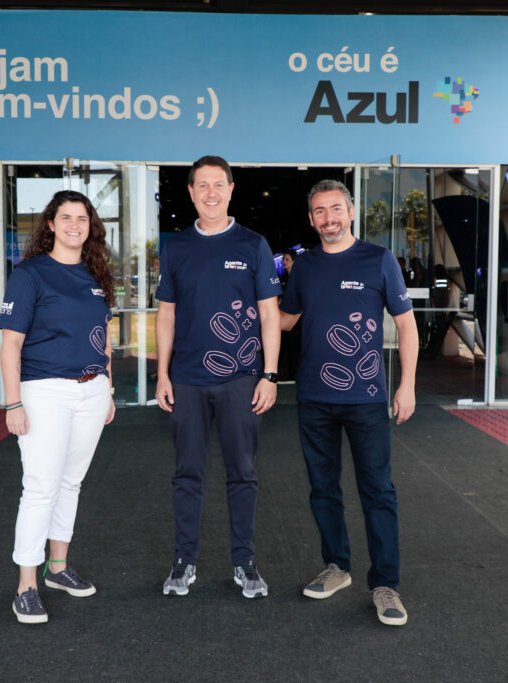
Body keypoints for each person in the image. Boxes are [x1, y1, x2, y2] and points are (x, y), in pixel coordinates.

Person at [279, 179, 418, 627]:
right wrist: (242, 296)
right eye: (319, 212)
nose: (328, 219)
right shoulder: (304, 267)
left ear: (351, 212)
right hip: (314, 398)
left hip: (367, 398)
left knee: (377, 491)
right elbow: (283, 320)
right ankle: (337, 567)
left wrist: (408, 385)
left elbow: (407, 326)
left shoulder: (378, 260)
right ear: (311, 218)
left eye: (335, 209)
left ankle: (385, 585)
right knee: (324, 490)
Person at [155, 155, 281, 599]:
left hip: (241, 380)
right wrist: (162, 373)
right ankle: (184, 562)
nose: (211, 193)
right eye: (201, 185)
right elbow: (166, 315)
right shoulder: (176, 248)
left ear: (231, 190)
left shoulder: (253, 245)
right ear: (191, 192)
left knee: (242, 473)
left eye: (218, 185)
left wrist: (269, 374)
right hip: (187, 380)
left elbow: (270, 314)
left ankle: (244, 562)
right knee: (186, 473)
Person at [0, 190, 117, 624]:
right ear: (50, 224)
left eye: (81, 218)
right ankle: (25, 586)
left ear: (91, 226)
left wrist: (107, 389)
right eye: (65, 217)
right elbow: (10, 343)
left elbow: (102, 336)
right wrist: (13, 403)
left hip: (91, 390)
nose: (73, 225)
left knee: (70, 483)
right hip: (44, 391)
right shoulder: (30, 275)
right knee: (41, 487)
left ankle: (58, 568)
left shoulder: (96, 273)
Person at [278, 249, 301, 381]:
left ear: (294, 261)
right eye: (283, 259)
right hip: (282, 316)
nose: (284, 262)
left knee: (295, 345)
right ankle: (285, 373)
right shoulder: (282, 277)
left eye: (287, 259)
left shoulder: (298, 278)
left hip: (296, 318)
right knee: (285, 345)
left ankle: (295, 372)